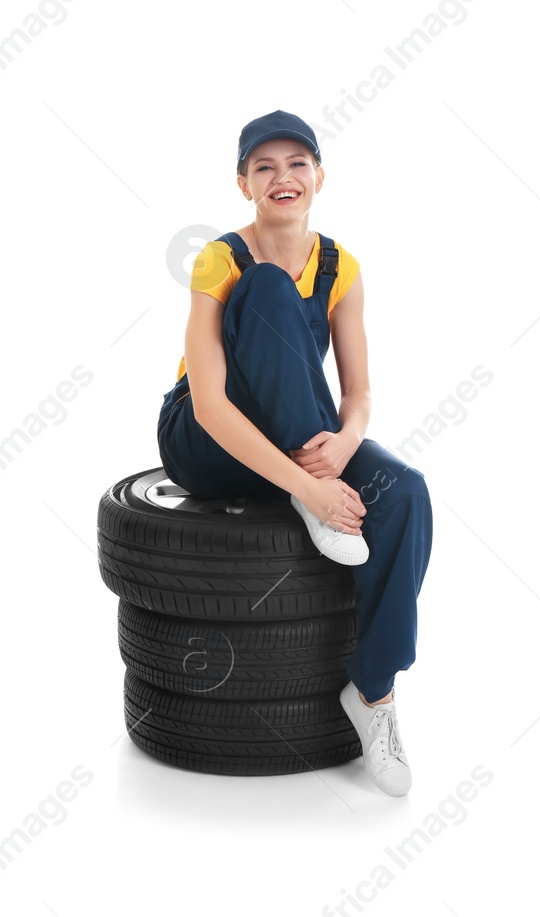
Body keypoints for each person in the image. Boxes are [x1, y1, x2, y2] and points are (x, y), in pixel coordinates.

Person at [155, 110, 432, 796]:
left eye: (297, 163)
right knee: (269, 288)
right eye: (265, 166)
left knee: (406, 491)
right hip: (207, 440)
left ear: (320, 176)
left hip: (302, 433)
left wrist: (343, 443)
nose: (284, 177)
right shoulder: (221, 258)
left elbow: (360, 394)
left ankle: (373, 693)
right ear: (244, 183)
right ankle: (306, 498)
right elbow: (213, 405)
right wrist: (309, 489)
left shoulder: (342, 266)